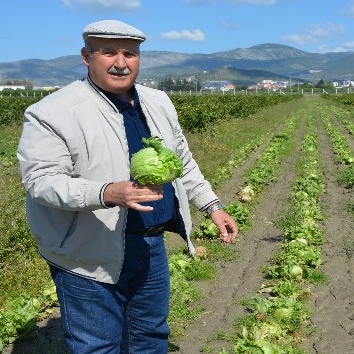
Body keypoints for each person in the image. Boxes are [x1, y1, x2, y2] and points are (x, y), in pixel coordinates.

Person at [17, 19, 238, 353]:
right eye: (108, 52)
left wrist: (212, 205)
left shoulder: (158, 102)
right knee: (97, 345)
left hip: (150, 245)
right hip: (88, 253)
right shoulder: (52, 112)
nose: (121, 62)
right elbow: (41, 181)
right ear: (86, 56)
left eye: (130, 53)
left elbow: (182, 162)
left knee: (149, 336)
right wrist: (105, 193)